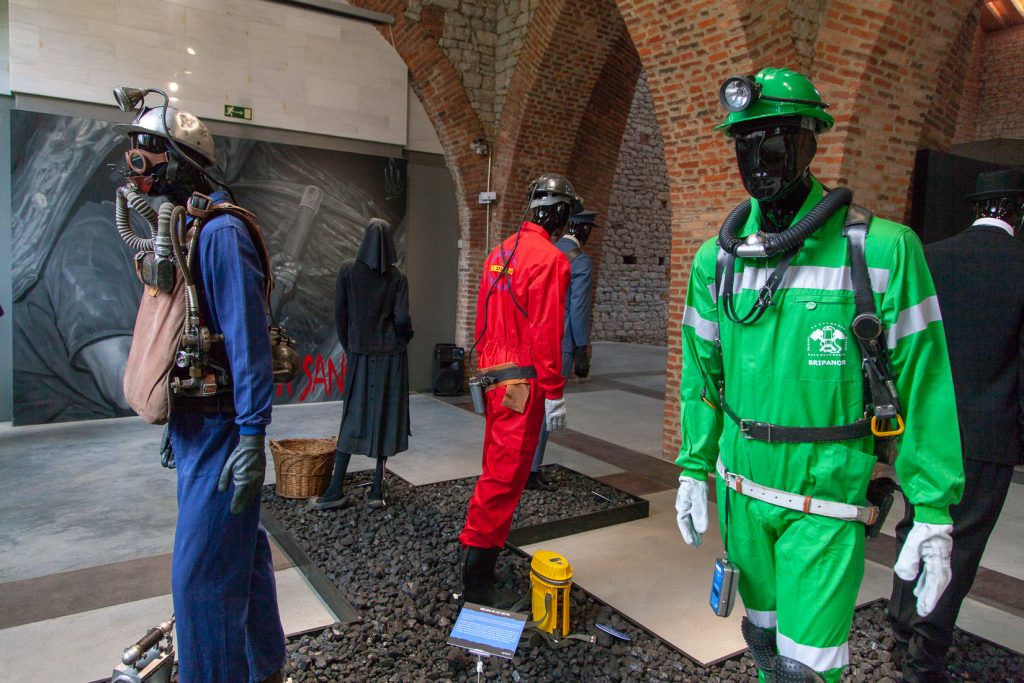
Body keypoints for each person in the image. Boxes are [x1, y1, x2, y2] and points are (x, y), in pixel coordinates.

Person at [673, 67, 964, 682]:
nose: (758, 157)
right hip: (740, 490)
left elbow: (925, 381)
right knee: (763, 643)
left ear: (811, 141)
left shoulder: (881, 250)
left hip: (824, 500)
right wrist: (694, 466)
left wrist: (933, 508)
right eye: (744, 141)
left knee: (808, 668)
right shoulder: (717, 260)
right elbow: (703, 370)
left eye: (775, 137)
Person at [114, 90, 286, 682]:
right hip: (198, 425)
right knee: (242, 552)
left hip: (221, 428)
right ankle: (264, 666)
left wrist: (251, 435)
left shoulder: (219, 234)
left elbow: (247, 342)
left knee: (199, 583)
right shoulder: (188, 226)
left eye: (149, 152)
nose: (138, 165)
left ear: (180, 159)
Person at [888, 167, 1024, 682]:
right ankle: (924, 659)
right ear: (1018, 211)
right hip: (987, 433)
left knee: (914, 524)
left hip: (924, 427)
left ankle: (901, 628)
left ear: (978, 209)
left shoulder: (929, 257)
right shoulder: (1021, 265)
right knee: (959, 547)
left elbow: (900, 346)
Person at [459, 173, 576, 605]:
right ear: (561, 213)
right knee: (505, 477)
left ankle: (480, 559)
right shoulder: (551, 261)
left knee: (496, 469)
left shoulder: (500, 251)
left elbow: (483, 319)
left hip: (494, 379)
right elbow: (547, 333)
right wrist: (555, 390)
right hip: (522, 387)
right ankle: (477, 579)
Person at [312, 218, 413, 510]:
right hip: (391, 356)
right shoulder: (398, 278)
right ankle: (376, 492)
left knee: (352, 418)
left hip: (360, 355)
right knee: (386, 416)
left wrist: (351, 346)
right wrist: (403, 339)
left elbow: (339, 315)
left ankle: (334, 490)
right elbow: (403, 320)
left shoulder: (347, 271)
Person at [527, 209, 596, 491]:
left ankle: (520, 463)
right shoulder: (580, 261)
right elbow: (578, 309)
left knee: (528, 405)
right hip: (560, 344)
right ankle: (531, 470)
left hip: (532, 340)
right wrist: (581, 348)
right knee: (547, 407)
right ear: (584, 232)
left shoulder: (544, 251)